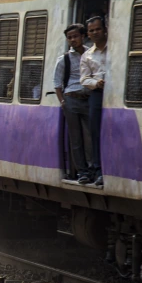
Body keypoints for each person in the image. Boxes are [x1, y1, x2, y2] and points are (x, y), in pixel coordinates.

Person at [54, 24, 92, 184]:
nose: (72, 40)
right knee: (76, 138)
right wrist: (62, 101)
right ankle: (82, 172)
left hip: (88, 99)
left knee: (91, 136)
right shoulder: (64, 59)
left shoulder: (91, 54)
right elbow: (57, 83)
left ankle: (94, 169)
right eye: (69, 37)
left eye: (75, 36)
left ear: (82, 36)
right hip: (71, 99)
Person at [80, 16, 109, 187]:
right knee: (96, 131)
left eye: (98, 29)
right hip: (97, 93)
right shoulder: (87, 56)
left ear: (104, 29)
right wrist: (96, 83)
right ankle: (99, 171)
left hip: (117, 92)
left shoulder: (116, 48)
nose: (95, 32)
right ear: (88, 34)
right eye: (91, 30)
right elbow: (84, 79)